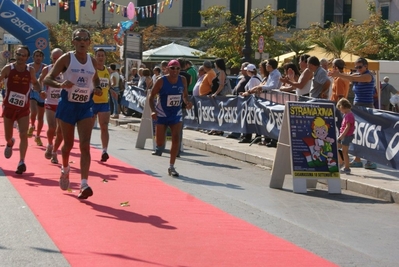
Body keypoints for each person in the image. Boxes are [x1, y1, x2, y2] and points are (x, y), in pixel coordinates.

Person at [43, 28, 103, 199]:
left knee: (85, 145)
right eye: (78, 39)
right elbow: (48, 78)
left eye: (85, 39)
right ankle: (65, 169)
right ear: (74, 42)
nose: (82, 41)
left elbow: (95, 78)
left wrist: (97, 87)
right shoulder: (67, 58)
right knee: (68, 145)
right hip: (68, 105)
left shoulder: (91, 60)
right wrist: (61, 85)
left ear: (89, 42)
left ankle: (84, 184)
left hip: (85, 107)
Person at [0, 45, 42, 174]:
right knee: (8, 136)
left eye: (24, 55)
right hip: (9, 107)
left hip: (23, 108)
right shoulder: (8, 69)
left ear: (27, 57)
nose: (21, 57)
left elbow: (35, 82)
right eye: (19, 54)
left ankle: (21, 162)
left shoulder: (30, 70)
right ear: (16, 55)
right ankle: (10, 142)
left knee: (24, 134)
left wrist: (40, 91)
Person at [328, 57, 377, 169]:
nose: (358, 69)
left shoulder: (368, 76)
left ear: (366, 66)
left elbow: (350, 77)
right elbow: (350, 77)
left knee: (366, 135)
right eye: (356, 67)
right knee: (356, 134)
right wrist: (338, 74)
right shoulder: (358, 75)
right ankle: (357, 159)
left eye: (360, 67)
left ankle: (369, 160)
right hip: (357, 107)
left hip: (366, 107)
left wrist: (339, 74)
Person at [148, 59, 193, 177]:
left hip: (176, 113)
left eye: (178, 68)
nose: (175, 71)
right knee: (160, 143)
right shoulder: (161, 81)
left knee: (176, 138)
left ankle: (172, 166)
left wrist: (187, 102)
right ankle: (159, 147)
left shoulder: (182, 80)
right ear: (167, 69)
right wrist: (153, 111)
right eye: (172, 68)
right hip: (162, 113)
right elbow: (151, 96)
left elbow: (185, 96)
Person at [38, 48, 64, 164]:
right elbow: (40, 81)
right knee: (52, 127)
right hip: (50, 102)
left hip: (63, 103)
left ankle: (55, 151)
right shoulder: (47, 69)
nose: (56, 60)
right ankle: (49, 144)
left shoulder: (68, 70)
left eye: (59, 58)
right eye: (54, 58)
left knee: (60, 131)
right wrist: (41, 91)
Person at [93, 48, 111, 162]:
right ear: (95, 57)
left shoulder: (107, 70)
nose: (100, 57)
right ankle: (85, 148)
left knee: (104, 126)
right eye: (98, 55)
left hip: (104, 102)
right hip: (92, 102)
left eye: (102, 55)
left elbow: (108, 84)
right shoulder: (92, 70)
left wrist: (112, 90)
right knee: (88, 128)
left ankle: (104, 150)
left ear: (105, 57)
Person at [28, 49, 47, 146]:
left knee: (40, 117)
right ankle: (31, 125)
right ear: (33, 57)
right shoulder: (29, 67)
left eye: (40, 56)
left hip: (42, 94)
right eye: (36, 56)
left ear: (43, 58)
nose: (38, 57)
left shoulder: (45, 68)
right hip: (32, 92)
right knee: (33, 111)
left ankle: (38, 136)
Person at [336, 98, 355, 174]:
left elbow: (348, 127)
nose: (340, 111)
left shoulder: (349, 116)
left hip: (346, 136)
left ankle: (347, 167)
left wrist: (341, 136)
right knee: (337, 148)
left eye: (340, 109)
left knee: (345, 152)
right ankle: (341, 162)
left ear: (343, 107)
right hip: (344, 135)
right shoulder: (347, 114)